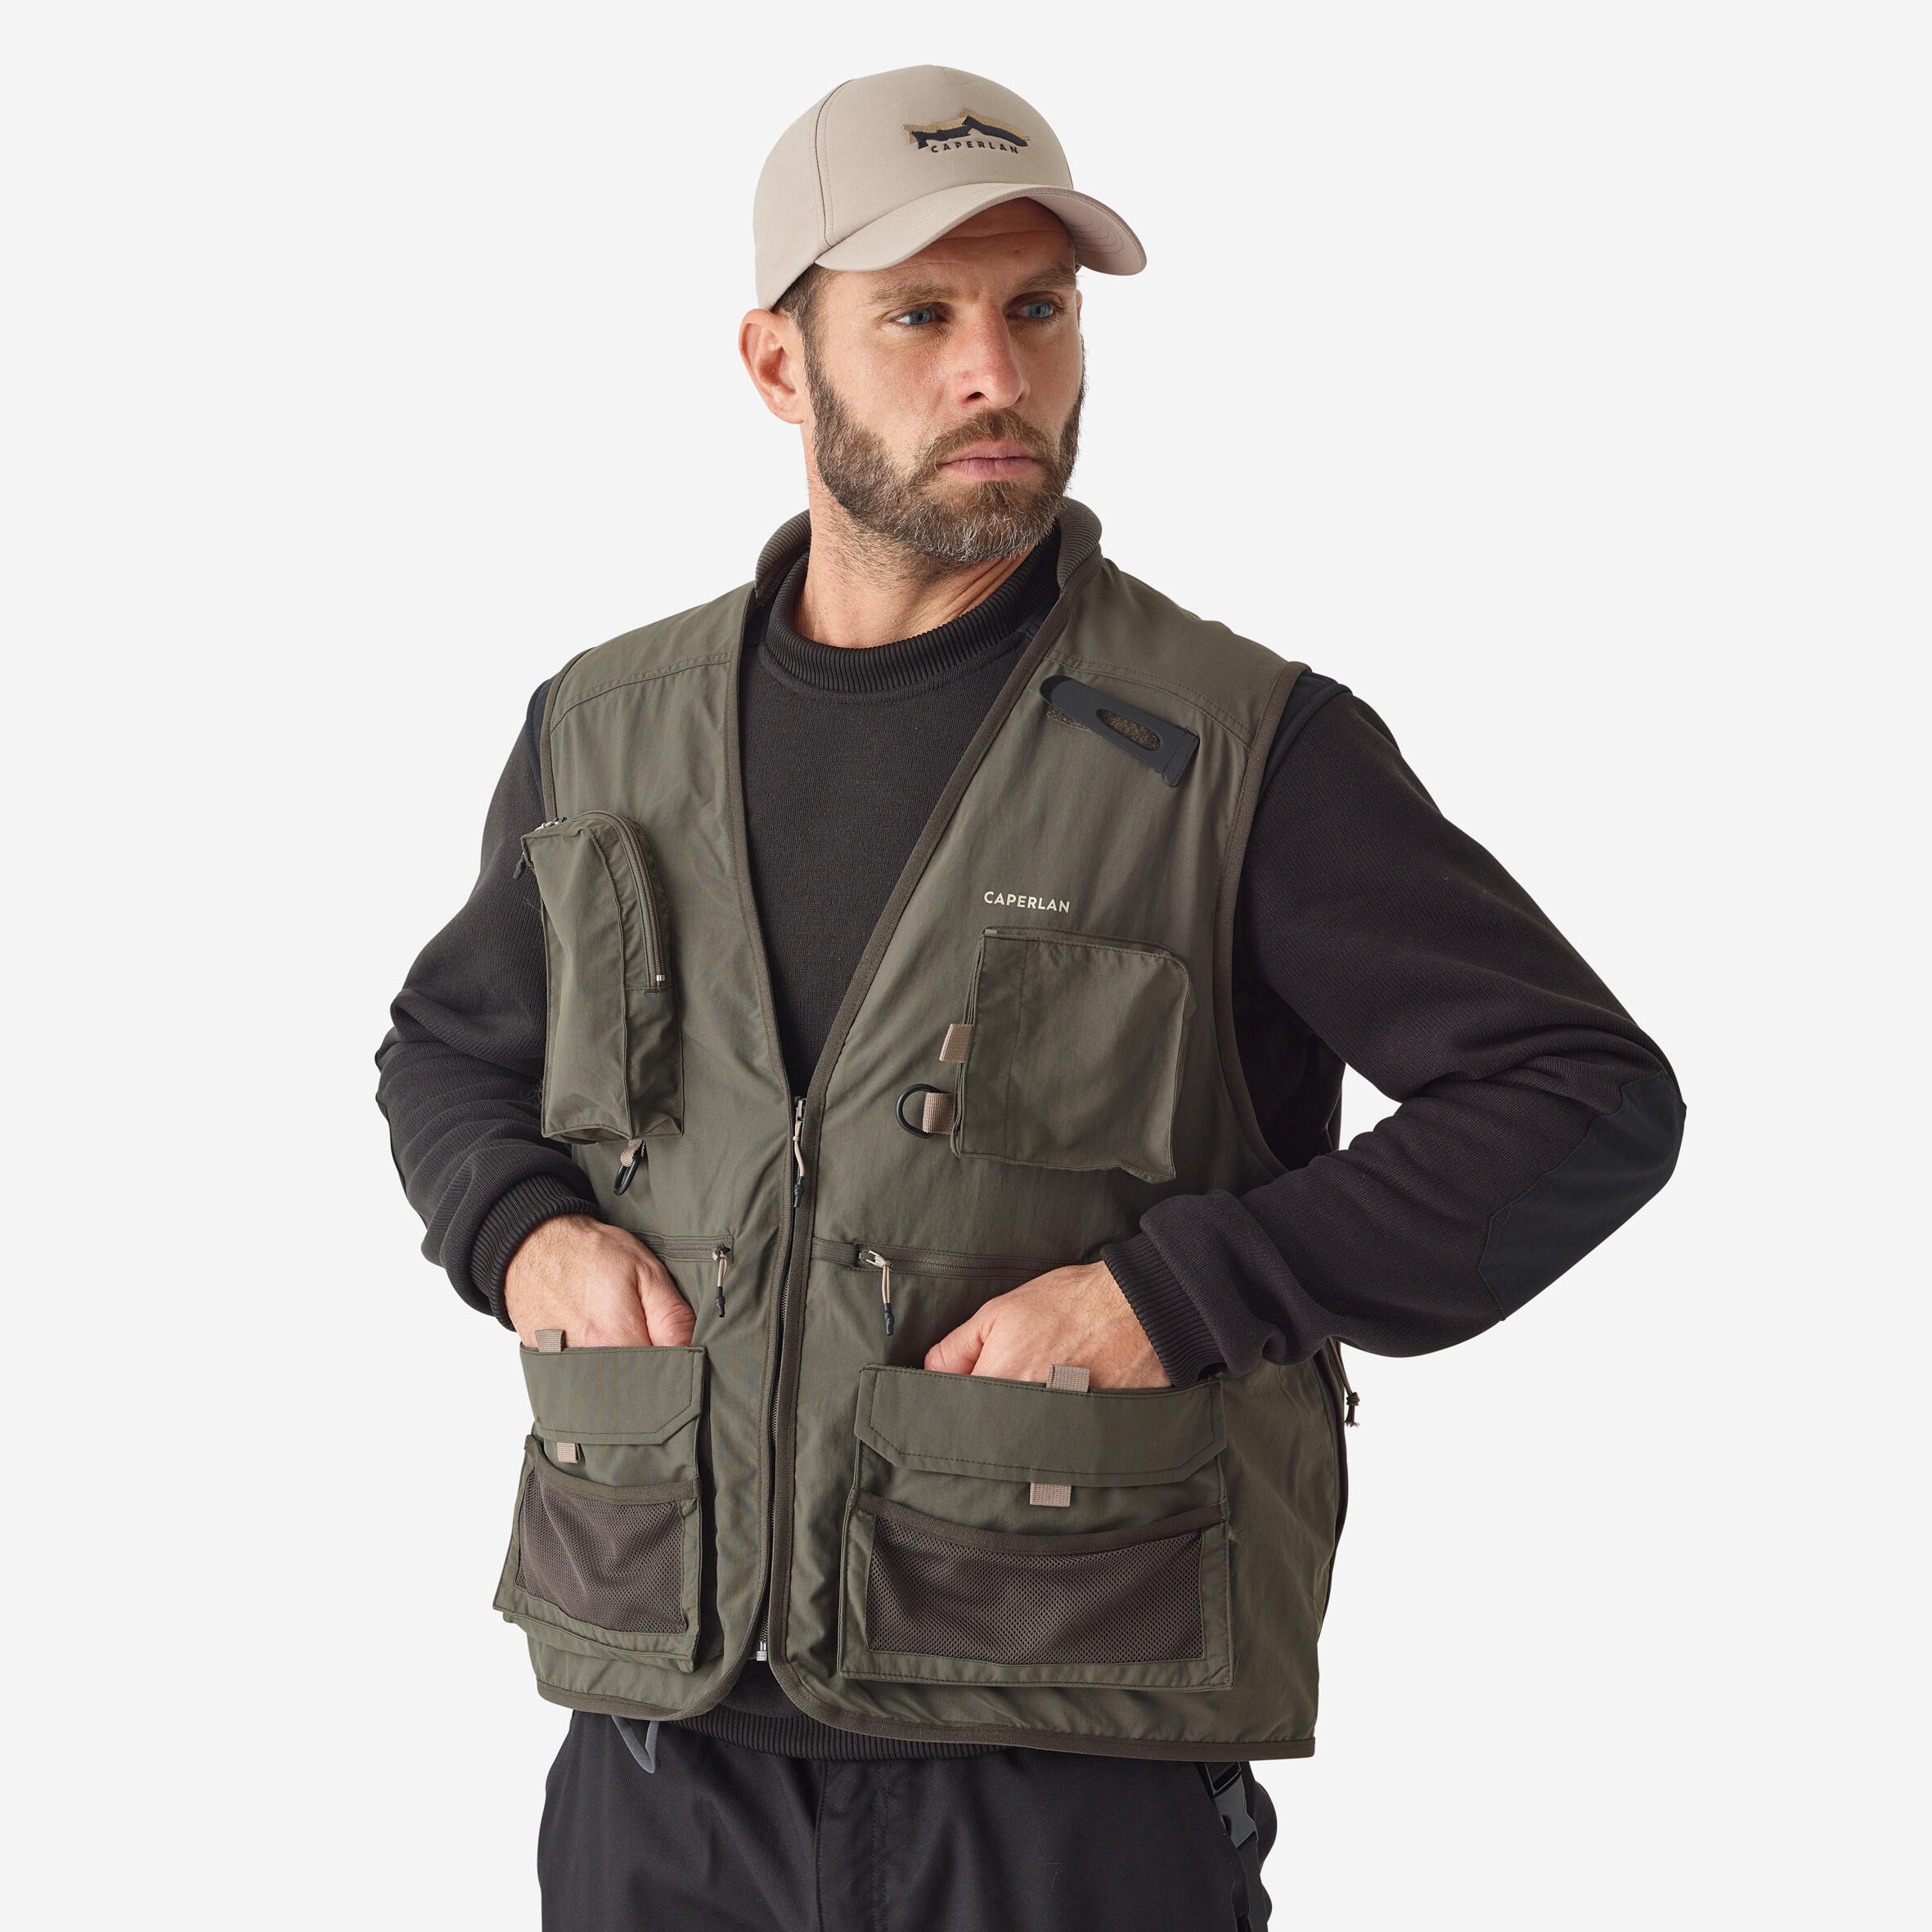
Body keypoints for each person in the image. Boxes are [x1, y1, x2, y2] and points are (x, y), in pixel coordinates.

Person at [375, 64, 1685, 1931]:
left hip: (1066, 1773)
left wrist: (1179, 1291)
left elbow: (1578, 1095)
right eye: (918, 315)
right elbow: (450, 1045)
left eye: (1039, 309)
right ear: (775, 364)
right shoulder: (604, 729)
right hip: (657, 1765)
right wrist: (520, 1232)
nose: (996, 372)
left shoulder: (1237, 745)